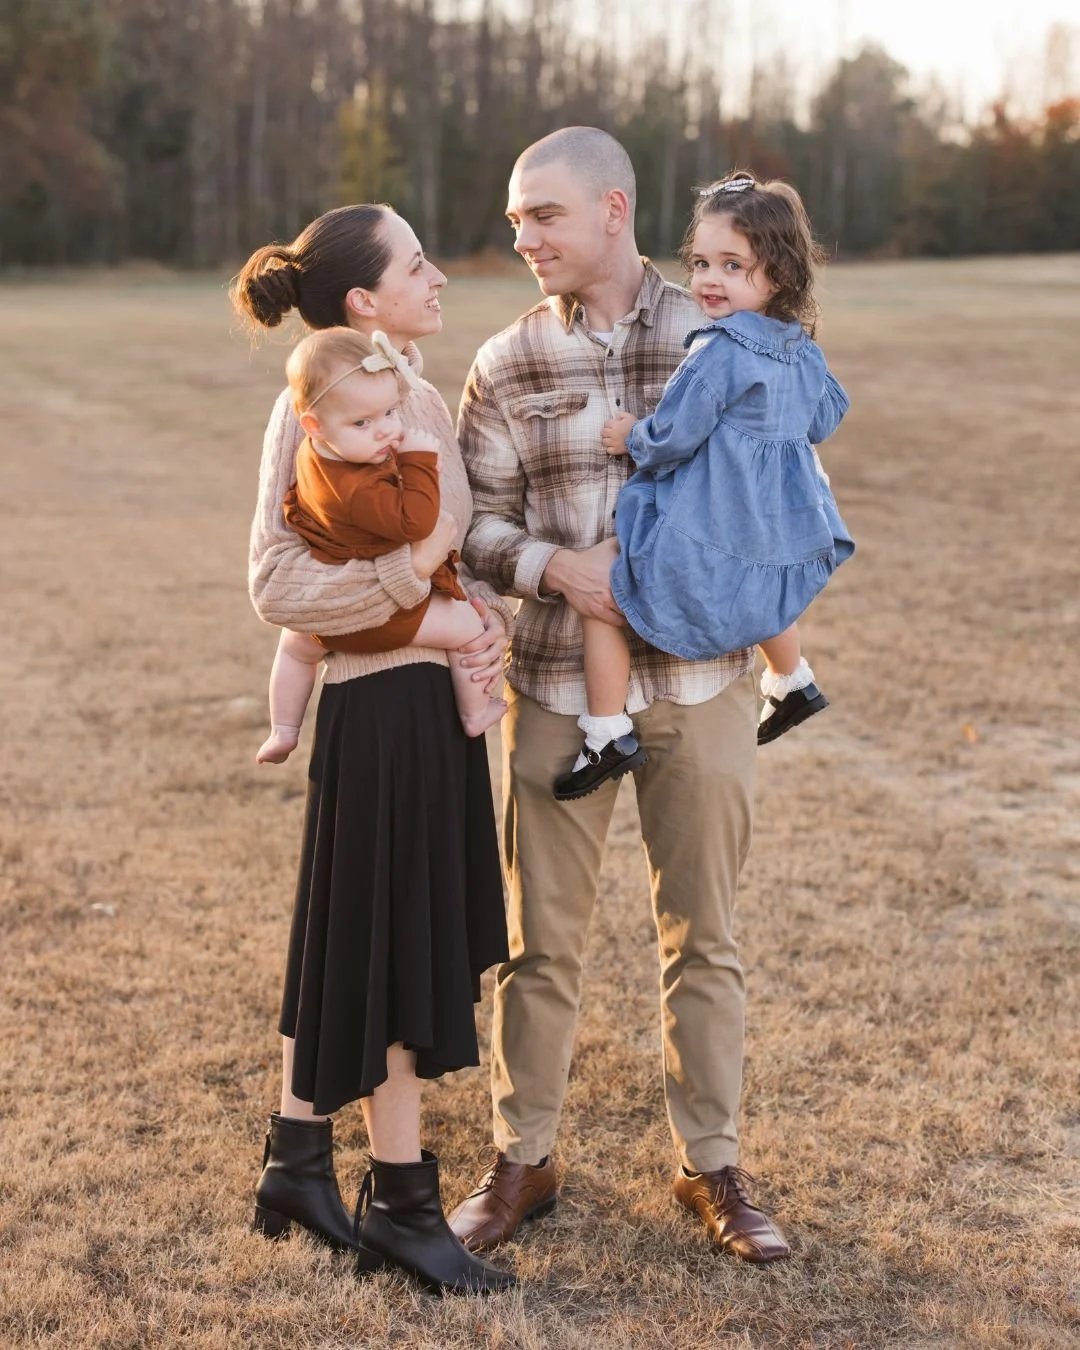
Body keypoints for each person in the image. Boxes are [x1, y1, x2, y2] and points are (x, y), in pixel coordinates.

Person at [452, 127, 791, 1263]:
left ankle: (713, 1166)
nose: (522, 238)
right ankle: (523, 1160)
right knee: (536, 941)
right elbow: (475, 529)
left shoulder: (723, 327)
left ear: (611, 208)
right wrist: (556, 567)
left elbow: (781, 489)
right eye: (512, 220)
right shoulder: (504, 363)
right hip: (555, 684)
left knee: (708, 935)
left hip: (700, 685)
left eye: (540, 216)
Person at [232, 203, 516, 1294]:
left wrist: (468, 617)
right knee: (396, 950)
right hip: (382, 712)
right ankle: (401, 1204)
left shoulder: (410, 396)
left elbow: (445, 553)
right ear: (366, 304)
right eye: (417, 264)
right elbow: (280, 587)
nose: (440, 275)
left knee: (349, 937)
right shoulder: (318, 410)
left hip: (420, 704)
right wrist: (424, 606)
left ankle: (297, 1165)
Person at [554, 170, 853, 801]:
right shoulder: (801, 348)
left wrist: (629, 436)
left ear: (779, 275)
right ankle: (792, 679)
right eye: (700, 262)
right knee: (762, 587)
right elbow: (826, 416)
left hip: (714, 519)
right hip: (778, 521)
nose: (710, 280)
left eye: (732, 266)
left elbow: (673, 436)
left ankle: (606, 731)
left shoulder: (717, 350)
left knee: (606, 583)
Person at [256, 325, 506, 765]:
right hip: (387, 612)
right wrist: (419, 462)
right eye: (363, 422)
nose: (385, 431)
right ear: (312, 424)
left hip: (332, 605)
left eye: (391, 413)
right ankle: (476, 711)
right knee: (466, 625)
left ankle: (283, 728)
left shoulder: (317, 455)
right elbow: (416, 521)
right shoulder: (358, 488)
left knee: (296, 648)